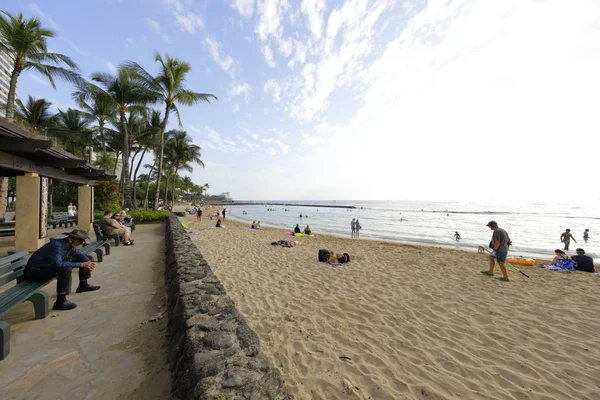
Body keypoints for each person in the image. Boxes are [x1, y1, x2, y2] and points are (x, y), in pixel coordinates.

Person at [24, 229, 100, 310]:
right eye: (80, 241)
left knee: (84, 261)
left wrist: (89, 262)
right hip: (34, 272)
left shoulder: (69, 245)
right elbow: (59, 264)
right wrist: (82, 264)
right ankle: (60, 301)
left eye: (83, 241)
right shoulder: (57, 246)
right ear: (71, 239)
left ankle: (83, 285)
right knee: (64, 269)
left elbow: (78, 254)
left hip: (46, 267)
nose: (81, 243)